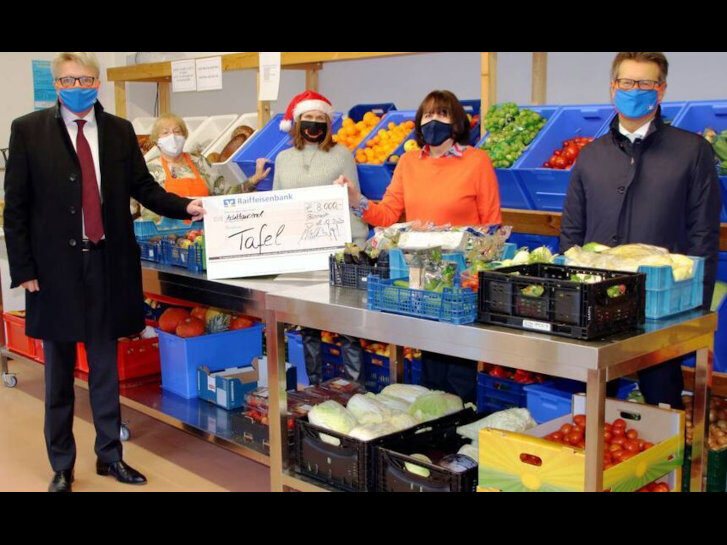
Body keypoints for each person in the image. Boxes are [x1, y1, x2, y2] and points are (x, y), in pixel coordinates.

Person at [3, 52, 205, 492]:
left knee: (104, 369)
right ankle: (62, 463)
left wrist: (185, 206)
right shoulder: (28, 130)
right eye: (70, 80)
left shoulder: (118, 131)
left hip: (107, 265)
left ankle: (109, 455)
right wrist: (24, 269)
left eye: (87, 79)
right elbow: (15, 207)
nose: (79, 87)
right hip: (54, 270)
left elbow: (144, 187)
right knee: (58, 373)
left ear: (98, 81)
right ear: (57, 83)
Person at [560, 52, 722, 409]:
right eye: (627, 82)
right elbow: (571, 229)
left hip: (661, 306)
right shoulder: (591, 155)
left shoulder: (692, 151)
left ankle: (664, 464)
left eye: (646, 83)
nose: (636, 90)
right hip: (597, 305)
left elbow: (703, 233)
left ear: (661, 91)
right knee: (593, 407)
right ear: (612, 88)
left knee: (661, 404)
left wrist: (695, 306)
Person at [336, 89, 502, 403]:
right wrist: (356, 200)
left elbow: (491, 225)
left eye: (442, 114)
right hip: (421, 279)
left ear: (456, 123)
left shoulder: (477, 162)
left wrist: (478, 266)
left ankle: (458, 426)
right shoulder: (409, 162)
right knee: (430, 365)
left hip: (461, 283)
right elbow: (387, 214)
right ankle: (433, 432)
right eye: (428, 115)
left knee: (460, 367)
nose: (433, 121)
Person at [274, 90, 369, 385]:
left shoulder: (341, 154)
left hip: (337, 250)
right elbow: (277, 203)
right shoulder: (283, 159)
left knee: (347, 323)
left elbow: (353, 198)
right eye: (308, 118)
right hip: (300, 253)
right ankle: (314, 387)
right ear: (298, 122)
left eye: (320, 119)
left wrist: (358, 243)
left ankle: (355, 387)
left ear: (329, 123)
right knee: (308, 323)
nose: (314, 124)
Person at [132, 113, 269, 220]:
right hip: (166, 239)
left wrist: (254, 180)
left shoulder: (200, 162)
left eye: (177, 131)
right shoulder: (149, 169)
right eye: (166, 133)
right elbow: (149, 212)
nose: (172, 137)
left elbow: (226, 195)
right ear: (156, 139)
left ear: (185, 136)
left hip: (202, 236)